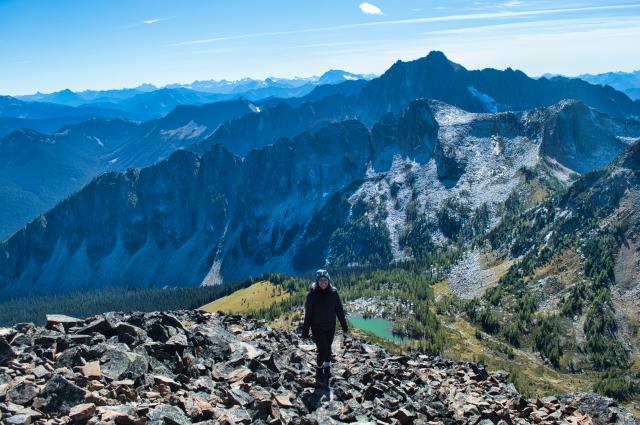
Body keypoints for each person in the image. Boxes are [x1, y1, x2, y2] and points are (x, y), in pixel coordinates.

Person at [301, 269, 349, 387]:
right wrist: (305, 331)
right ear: (317, 282)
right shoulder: (312, 294)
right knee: (322, 350)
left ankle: (327, 368)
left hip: (330, 327)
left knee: (328, 349)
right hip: (317, 328)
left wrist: (344, 325)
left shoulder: (333, 293)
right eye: (321, 280)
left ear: (328, 281)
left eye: (325, 280)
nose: (323, 282)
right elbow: (308, 314)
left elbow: (339, 310)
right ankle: (319, 370)